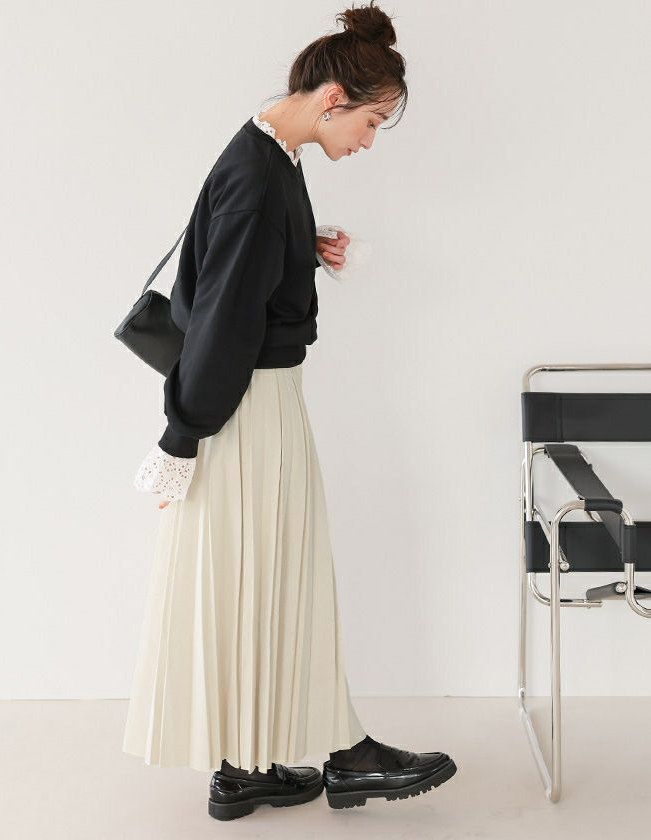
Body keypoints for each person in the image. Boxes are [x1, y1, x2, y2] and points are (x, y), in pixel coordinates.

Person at [122, 0, 457, 821]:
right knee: (282, 578)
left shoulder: (268, 156)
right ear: (334, 99)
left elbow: (232, 278)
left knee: (260, 579)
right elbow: (225, 323)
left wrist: (299, 247)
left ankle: (245, 767)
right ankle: (344, 757)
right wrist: (180, 436)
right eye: (371, 123)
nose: (368, 142)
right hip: (248, 406)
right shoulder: (258, 175)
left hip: (249, 402)